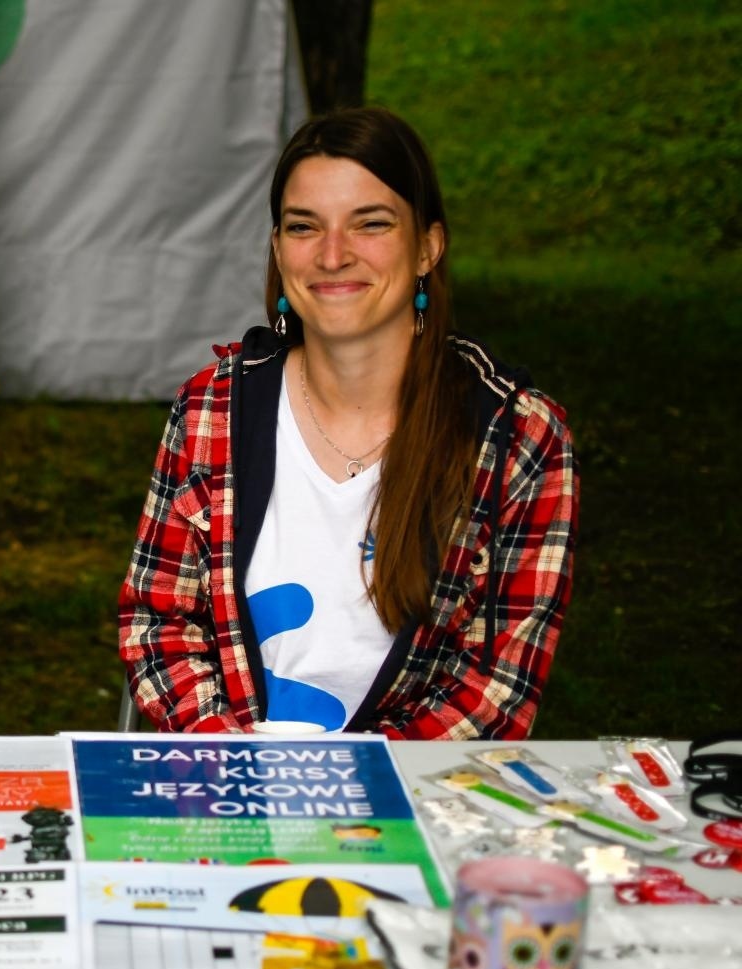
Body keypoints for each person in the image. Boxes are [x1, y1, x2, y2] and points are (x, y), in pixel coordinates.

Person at [118, 108, 577, 739]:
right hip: (231, 791)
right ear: (279, 251)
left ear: (426, 247)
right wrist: (229, 754)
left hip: (413, 805)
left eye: (371, 224)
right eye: (304, 227)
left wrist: (348, 786)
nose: (333, 255)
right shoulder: (213, 410)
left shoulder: (517, 435)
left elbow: (496, 689)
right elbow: (160, 622)